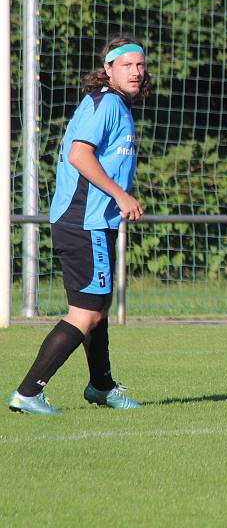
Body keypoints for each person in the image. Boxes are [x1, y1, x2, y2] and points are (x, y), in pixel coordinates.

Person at [7, 35, 150, 414]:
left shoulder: (114, 104)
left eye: (140, 65)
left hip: (89, 222)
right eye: (126, 65)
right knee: (85, 312)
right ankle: (28, 392)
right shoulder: (105, 104)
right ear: (108, 69)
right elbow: (79, 156)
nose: (136, 71)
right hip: (83, 222)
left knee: (96, 305)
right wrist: (121, 195)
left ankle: (101, 385)